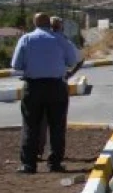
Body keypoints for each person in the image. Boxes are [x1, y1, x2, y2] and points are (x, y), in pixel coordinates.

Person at [11, 12, 80, 174]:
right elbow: (72, 61)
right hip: (56, 86)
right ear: (49, 23)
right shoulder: (60, 39)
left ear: (34, 23)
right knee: (57, 126)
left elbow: (16, 64)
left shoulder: (26, 39)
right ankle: (55, 163)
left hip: (33, 87)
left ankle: (28, 164)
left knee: (30, 125)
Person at [36, 17, 84, 159]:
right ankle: (55, 156)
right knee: (57, 123)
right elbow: (80, 59)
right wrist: (70, 73)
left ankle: (38, 151)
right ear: (61, 28)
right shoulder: (63, 41)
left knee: (39, 121)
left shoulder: (34, 40)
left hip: (37, 85)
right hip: (57, 84)